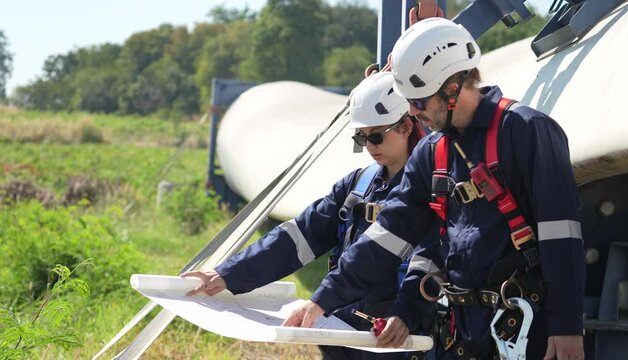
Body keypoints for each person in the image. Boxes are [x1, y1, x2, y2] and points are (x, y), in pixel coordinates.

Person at [283, 18, 585, 360]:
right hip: (461, 331)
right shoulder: (432, 153)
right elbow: (389, 233)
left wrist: (567, 326)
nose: (412, 111)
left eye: (419, 101)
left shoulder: (527, 131)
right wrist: (323, 299)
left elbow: (562, 238)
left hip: (526, 329)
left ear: (453, 88)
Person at [182, 72, 429, 360]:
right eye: (361, 137)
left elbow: (429, 263)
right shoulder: (357, 186)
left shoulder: (428, 190)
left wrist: (404, 314)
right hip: (343, 333)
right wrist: (229, 274)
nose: (370, 146)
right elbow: (299, 236)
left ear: (406, 126)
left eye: (376, 136)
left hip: (396, 339)